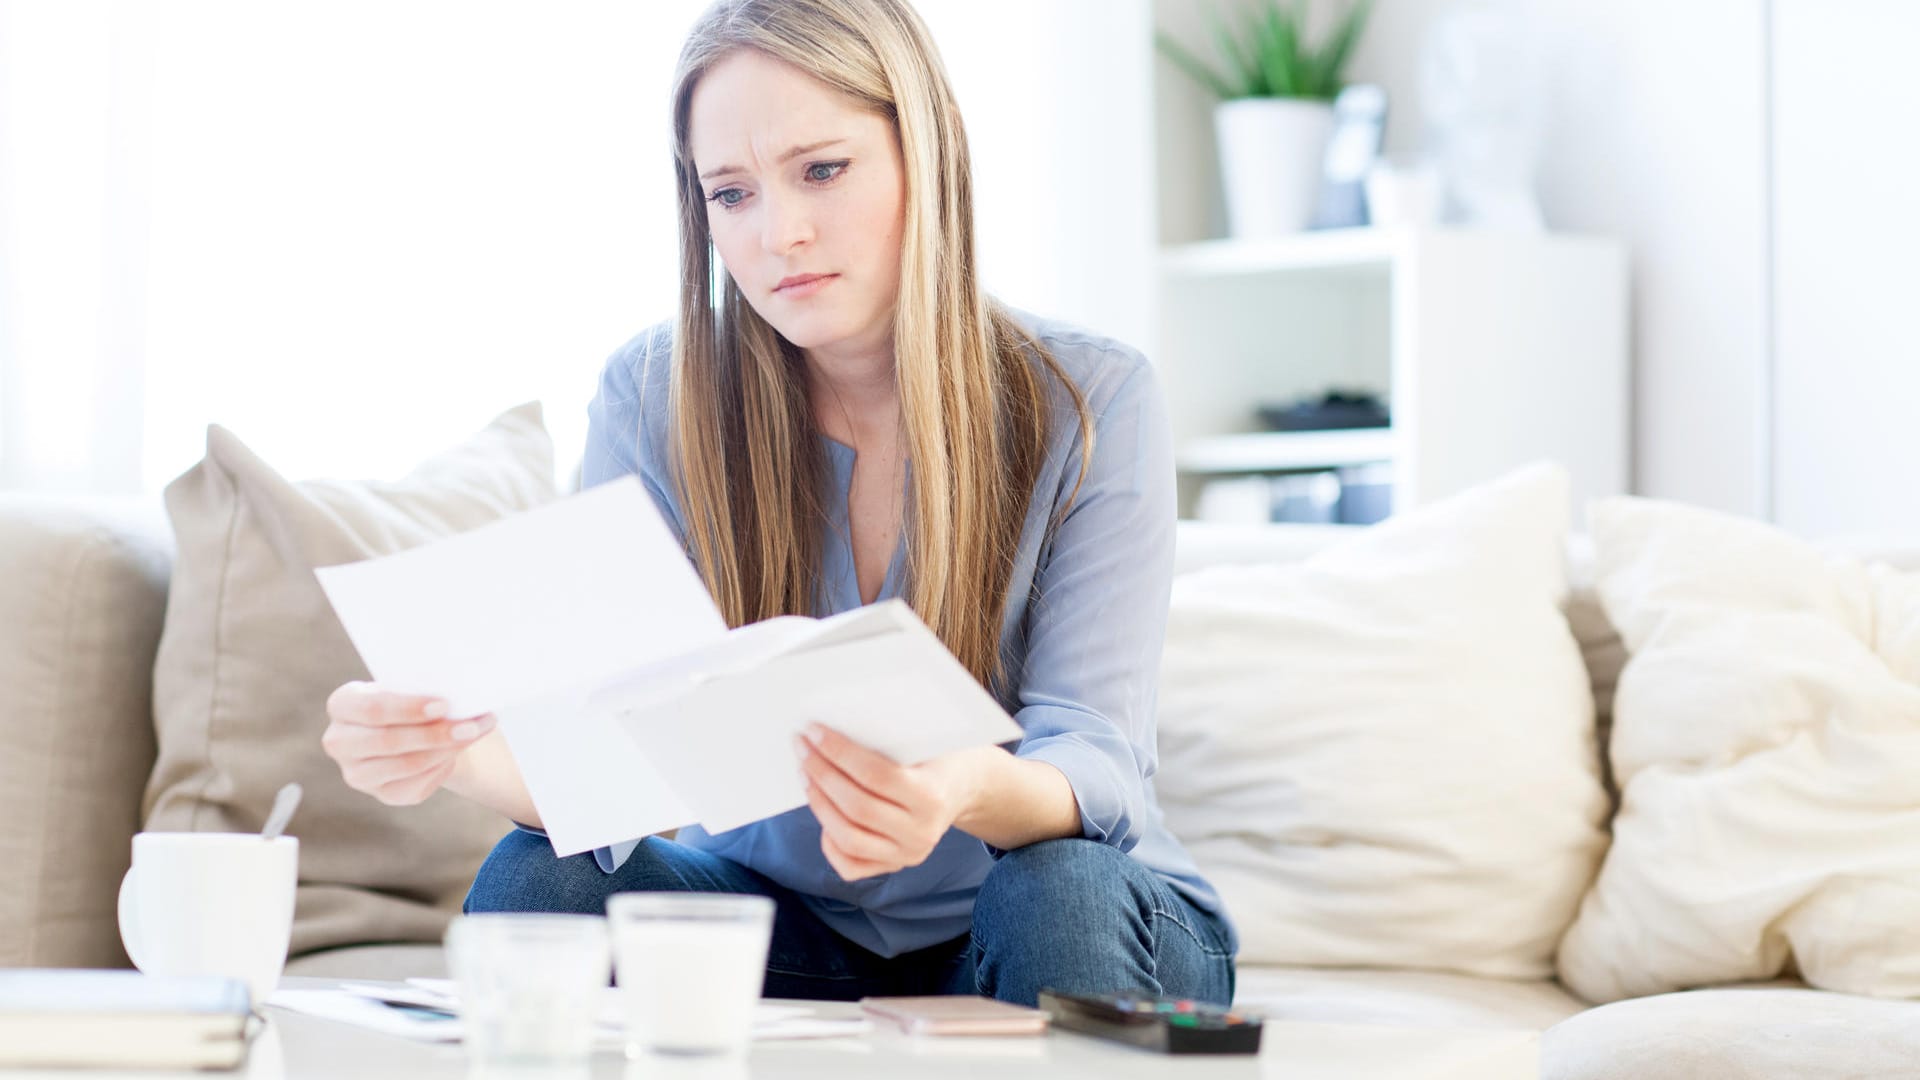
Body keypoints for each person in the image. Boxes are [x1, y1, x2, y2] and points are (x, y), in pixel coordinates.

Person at [319, 0, 1235, 1007]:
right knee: (535, 876)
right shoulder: (655, 395)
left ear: (923, 153)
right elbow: (606, 771)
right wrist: (443, 752)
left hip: (1048, 911)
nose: (779, 234)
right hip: (782, 924)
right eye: (731, 193)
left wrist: (956, 785)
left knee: (1054, 892)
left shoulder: (1090, 400)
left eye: (823, 170)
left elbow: (1094, 758)